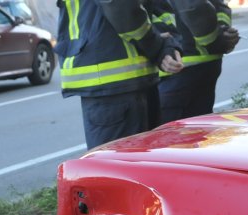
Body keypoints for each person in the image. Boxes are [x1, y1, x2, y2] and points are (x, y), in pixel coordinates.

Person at [55, 0, 184, 149]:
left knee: (118, 162)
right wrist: (159, 46)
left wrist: (165, 46)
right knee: (137, 160)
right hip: (118, 82)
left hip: (113, 83)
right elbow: (121, 7)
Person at [155, 0, 239, 124]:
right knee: (199, 127)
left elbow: (193, 6)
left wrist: (214, 41)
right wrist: (221, 31)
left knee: (174, 131)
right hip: (202, 62)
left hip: (178, 65)